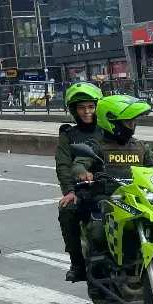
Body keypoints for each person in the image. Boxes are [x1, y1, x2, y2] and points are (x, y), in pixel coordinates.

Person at [70, 95, 153, 301]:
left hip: (137, 198)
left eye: (133, 121)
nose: (132, 126)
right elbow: (80, 163)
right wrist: (84, 173)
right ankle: (97, 277)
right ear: (111, 122)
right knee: (97, 232)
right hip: (107, 197)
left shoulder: (140, 146)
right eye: (127, 121)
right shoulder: (95, 145)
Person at [55, 82, 104, 282]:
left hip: (111, 185)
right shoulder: (68, 135)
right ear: (74, 110)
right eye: (82, 107)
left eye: (91, 107)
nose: (87, 112)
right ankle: (77, 263)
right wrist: (69, 191)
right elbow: (64, 165)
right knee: (68, 211)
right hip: (82, 189)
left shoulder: (108, 129)